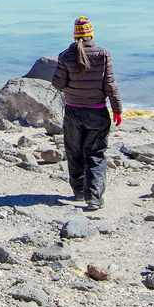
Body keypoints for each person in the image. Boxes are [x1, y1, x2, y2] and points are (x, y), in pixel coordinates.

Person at [51, 16, 122, 212]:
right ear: (91, 34)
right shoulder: (103, 55)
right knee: (96, 154)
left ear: (75, 35)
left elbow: (57, 84)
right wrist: (117, 111)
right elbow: (111, 86)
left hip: (74, 112)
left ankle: (80, 191)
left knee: (74, 152)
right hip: (98, 113)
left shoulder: (65, 56)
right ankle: (95, 198)